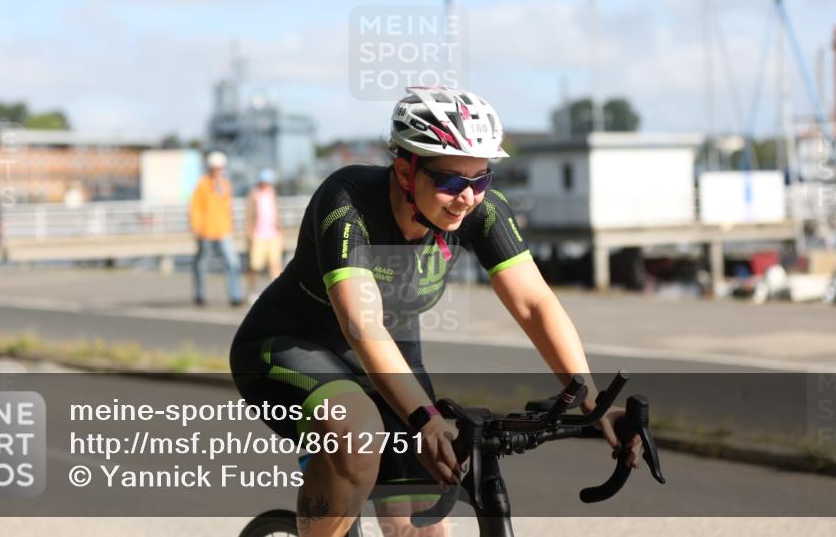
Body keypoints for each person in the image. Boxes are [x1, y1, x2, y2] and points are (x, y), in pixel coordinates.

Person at [229, 87, 642, 537]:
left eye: (480, 180)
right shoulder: (347, 202)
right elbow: (362, 325)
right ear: (405, 169)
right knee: (358, 436)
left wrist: (592, 402)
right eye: (449, 181)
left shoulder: (481, 213)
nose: (467, 198)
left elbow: (535, 304)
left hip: (393, 354)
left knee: (425, 515)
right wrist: (424, 417)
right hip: (290, 345)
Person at [189, 151, 244, 306]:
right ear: (210, 168)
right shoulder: (202, 184)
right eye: (215, 168)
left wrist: (231, 227)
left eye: (220, 168)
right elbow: (195, 207)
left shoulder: (225, 185)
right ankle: (199, 295)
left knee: (232, 263)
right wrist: (196, 226)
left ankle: (235, 296)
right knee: (201, 264)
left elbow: (228, 207)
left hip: (223, 230)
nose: (218, 171)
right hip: (205, 230)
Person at [245, 168, 283, 301]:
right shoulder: (254, 194)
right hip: (258, 235)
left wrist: (279, 230)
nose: (267, 184)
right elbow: (249, 215)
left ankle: (278, 292)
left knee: (275, 265)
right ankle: (252, 291)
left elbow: (275, 212)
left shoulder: (272, 193)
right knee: (255, 266)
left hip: (273, 234)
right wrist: (249, 233)